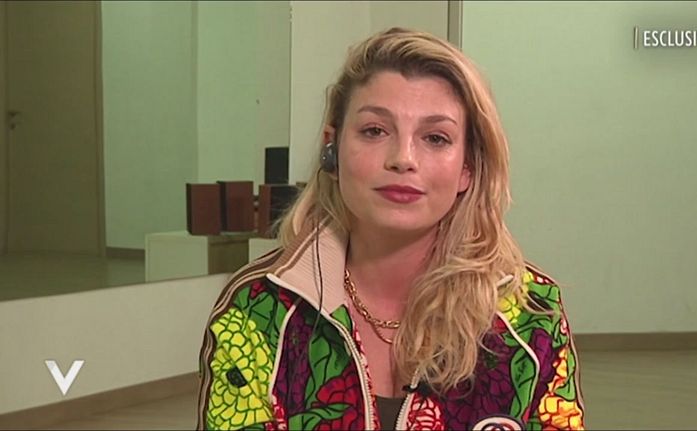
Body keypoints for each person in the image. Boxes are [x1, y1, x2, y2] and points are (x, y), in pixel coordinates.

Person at [196, 27, 585, 431]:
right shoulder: (259, 308)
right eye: (375, 131)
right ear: (332, 149)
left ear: (467, 167)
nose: (403, 158)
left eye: (436, 138)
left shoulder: (531, 314)